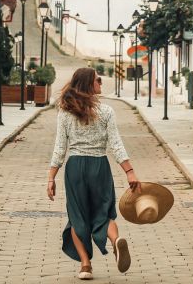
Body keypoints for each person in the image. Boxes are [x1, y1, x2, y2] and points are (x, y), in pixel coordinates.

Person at [47, 67, 140, 280]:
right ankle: (115, 242)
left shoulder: (65, 112)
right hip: (99, 166)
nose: (101, 83)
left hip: (75, 167)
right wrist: (130, 172)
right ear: (89, 84)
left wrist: (51, 177)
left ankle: (85, 266)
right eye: (98, 80)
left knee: (77, 216)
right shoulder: (106, 112)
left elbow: (60, 148)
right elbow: (116, 144)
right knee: (103, 213)